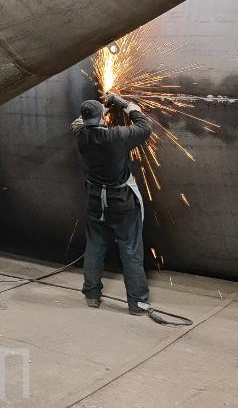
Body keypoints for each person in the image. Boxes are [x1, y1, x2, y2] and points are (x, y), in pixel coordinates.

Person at [71, 92, 154, 314]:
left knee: (95, 247)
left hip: (95, 201)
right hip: (121, 202)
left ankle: (92, 295)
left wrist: (101, 110)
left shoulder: (80, 135)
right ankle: (138, 303)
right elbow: (145, 127)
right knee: (130, 250)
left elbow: (77, 123)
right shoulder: (116, 136)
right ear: (101, 117)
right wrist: (125, 104)